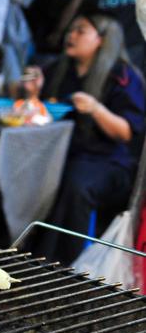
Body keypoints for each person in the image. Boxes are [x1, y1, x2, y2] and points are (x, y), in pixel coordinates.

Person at [25, 13, 145, 265]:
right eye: (71, 30)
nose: (71, 35)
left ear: (101, 40)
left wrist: (96, 109)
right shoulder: (58, 69)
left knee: (75, 183)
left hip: (109, 162)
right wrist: (32, 92)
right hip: (64, 154)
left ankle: (59, 265)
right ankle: (21, 249)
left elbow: (125, 132)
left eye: (81, 30)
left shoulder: (122, 75)